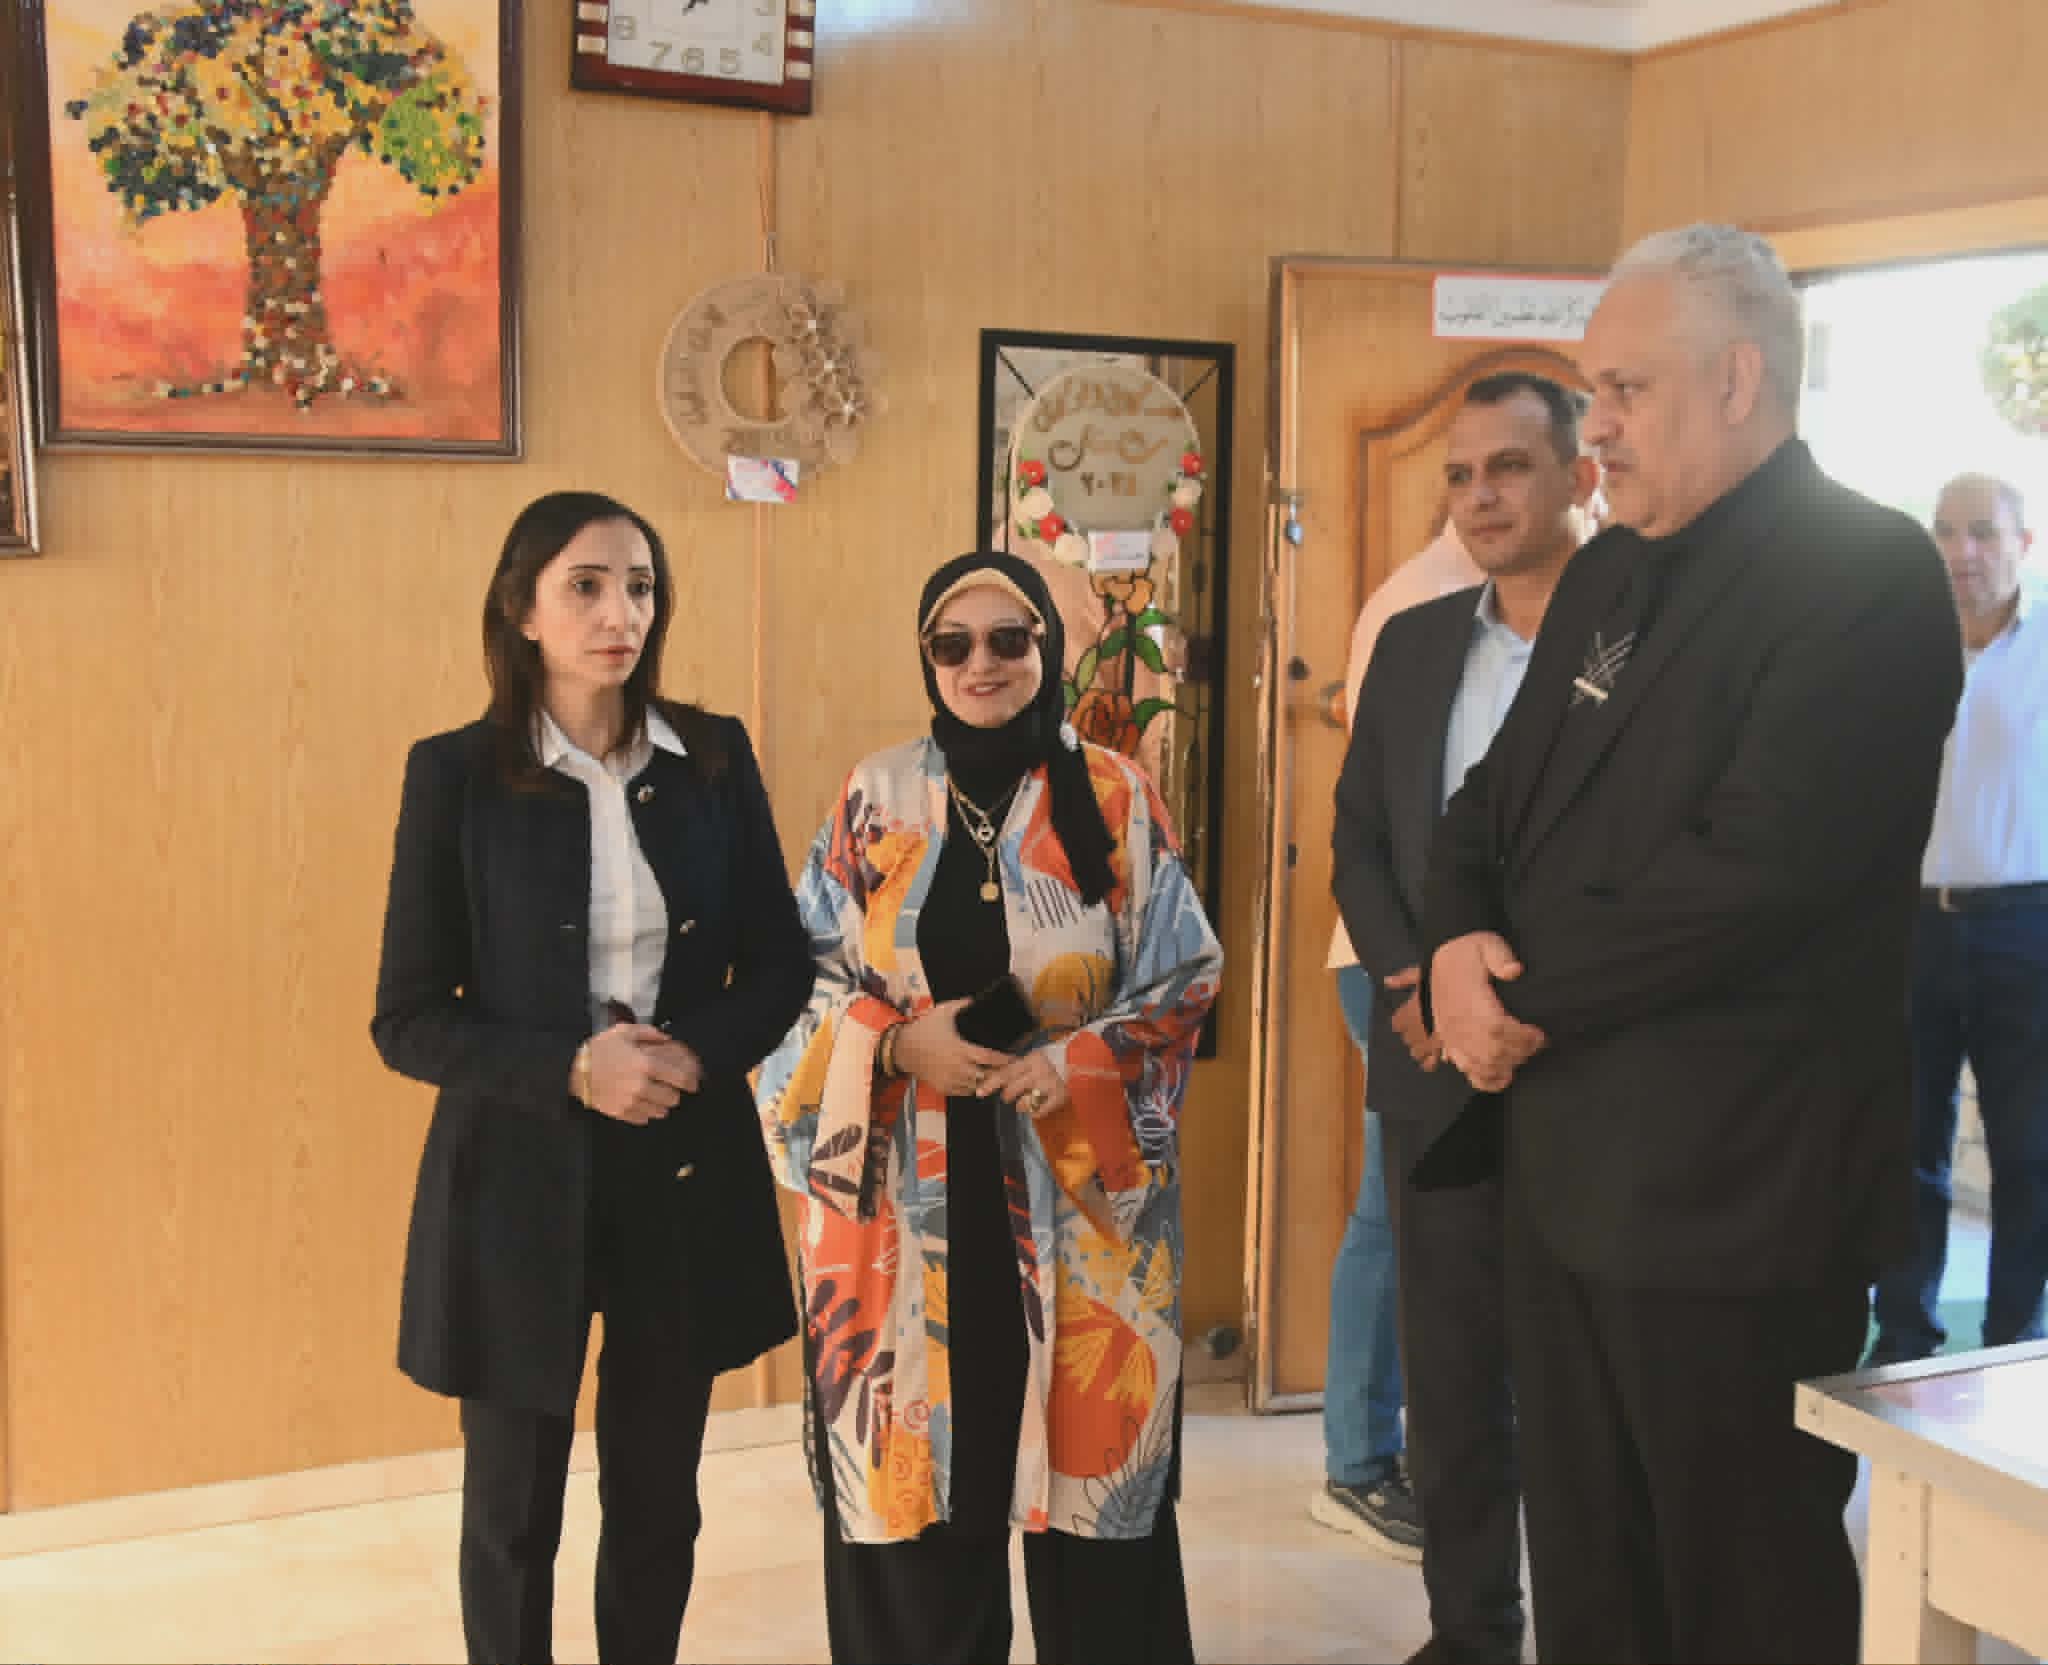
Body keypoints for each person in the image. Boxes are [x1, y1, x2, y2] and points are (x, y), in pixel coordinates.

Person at [1419, 226, 1963, 1663]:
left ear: (1735, 381)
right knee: (1589, 1587)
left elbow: (1753, 877)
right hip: (1561, 1174)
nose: (1593, 426)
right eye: (1592, 390)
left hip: (1733, 1195)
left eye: (1625, 390)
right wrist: (1459, 942)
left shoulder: (1864, 573)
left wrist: (1506, 1001)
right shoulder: (1610, 573)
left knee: (1740, 1596)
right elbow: (1488, 804)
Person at [756, 551, 1222, 1665]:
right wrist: (892, 1041)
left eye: (1009, 639)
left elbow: (1185, 974)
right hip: (903, 1214)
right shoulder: (874, 798)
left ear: (1044, 651)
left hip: (1080, 1210)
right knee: (922, 1526)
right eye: (952, 643)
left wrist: (1081, 1061)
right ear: (926, 658)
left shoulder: (1114, 795)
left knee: (1095, 1519)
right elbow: (793, 984)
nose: (981, 663)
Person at [371, 491, 813, 1664]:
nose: (620, 614)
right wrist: (572, 1067)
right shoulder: (456, 776)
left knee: (658, 1498)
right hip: (517, 1176)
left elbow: (779, 962)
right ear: (521, 609)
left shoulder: (710, 756)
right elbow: (407, 1019)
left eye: (640, 586)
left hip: (680, 1163)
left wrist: (692, 1054)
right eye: (585, 586)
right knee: (511, 1511)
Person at [1334, 372, 1595, 1663]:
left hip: (1585, 1061)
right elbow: (1359, 841)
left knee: (1581, 1385)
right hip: (1428, 1054)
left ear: (1580, 477)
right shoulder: (1418, 640)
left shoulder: (1639, 645)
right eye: (1459, 474)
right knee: (1448, 1380)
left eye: (1510, 467)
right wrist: (1416, 980)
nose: (1480, 496)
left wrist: (1510, 1001)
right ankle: (1471, 1631)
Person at [1313, 520, 1478, 1559]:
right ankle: (1358, 1463)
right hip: (1397, 959)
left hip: (1475, 968)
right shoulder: (1420, 603)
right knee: (1393, 1207)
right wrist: (1414, 976)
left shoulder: (1557, 598)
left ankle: (1435, 1451)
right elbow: (1380, 814)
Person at [1868, 472, 2048, 1363]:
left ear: (2025, 543)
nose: (1960, 552)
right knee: (1905, 1146)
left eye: (1982, 531)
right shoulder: (1899, 647)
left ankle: (2019, 1340)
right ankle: (1905, 1336)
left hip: (2029, 929)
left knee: (2031, 1151)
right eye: (1944, 531)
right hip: (1914, 926)